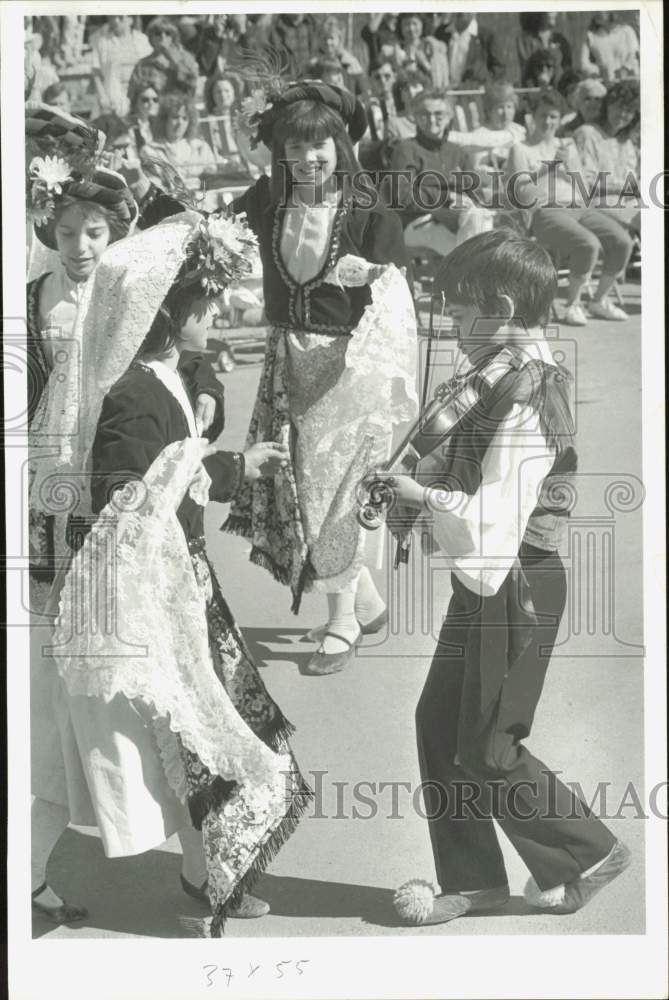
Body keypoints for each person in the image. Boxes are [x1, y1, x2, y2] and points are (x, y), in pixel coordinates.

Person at [30, 212, 310, 935]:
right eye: (204, 304)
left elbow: (170, 454)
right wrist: (225, 466)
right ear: (168, 315)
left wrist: (209, 447)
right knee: (172, 736)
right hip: (148, 594)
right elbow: (126, 492)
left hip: (179, 582)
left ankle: (206, 872)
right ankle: (197, 875)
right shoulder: (133, 395)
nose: (215, 313)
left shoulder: (160, 375)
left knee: (184, 737)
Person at [385, 230, 630, 927]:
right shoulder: (501, 371)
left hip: (516, 582)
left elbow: (494, 515)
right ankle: (475, 881)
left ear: (496, 304)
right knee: (439, 723)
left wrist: (417, 491)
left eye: (460, 314)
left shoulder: (528, 389)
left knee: (488, 750)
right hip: (492, 581)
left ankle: (590, 850)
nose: (453, 329)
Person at [224, 82, 418, 674]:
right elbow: (213, 234)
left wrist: (375, 276)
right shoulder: (267, 201)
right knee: (303, 485)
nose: (309, 160)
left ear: (340, 146)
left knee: (338, 488)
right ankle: (364, 600)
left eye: (321, 147)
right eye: (295, 148)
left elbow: (399, 295)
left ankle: (342, 621)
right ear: (278, 153)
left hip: (350, 368)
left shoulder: (367, 208)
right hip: (288, 366)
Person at [505, 89, 634, 325]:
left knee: (622, 241)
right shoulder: (521, 149)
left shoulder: (567, 145)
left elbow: (583, 188)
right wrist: (549, 168)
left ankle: (598, 300)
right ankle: (572, 305)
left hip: (578, 206)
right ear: (532, 116)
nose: (548, 122)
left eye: (554, 116)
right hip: (545, 212)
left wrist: (568, 169)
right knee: (587, 244)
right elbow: (520, 192)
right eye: (543, 115)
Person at [389, 90, 503, 258]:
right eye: (424, 114)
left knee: (481, 220)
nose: (432, 120)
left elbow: (475, 194)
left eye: (439, 114)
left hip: (461, 221)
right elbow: (403, 196)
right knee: (471, 248)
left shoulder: (457, 153)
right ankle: (472, 276)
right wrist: (447, 197)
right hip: (419, 222)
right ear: (415, 117)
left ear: (449, 116)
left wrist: (477, 198)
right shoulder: (407, 150)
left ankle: (469, 276)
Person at [143, 92, 217, 192]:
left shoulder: (202, 147)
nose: (180, 123)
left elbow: (212, 181)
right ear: (164, 119)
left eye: (185, 118)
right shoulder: (150, 150)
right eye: (175, 117)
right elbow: (155, 186)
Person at [127, 16, 199, 109]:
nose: (162, 36)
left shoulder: (186, 59)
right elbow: (132, 94)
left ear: (173, 37)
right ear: (151, 38)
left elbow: (192, 85)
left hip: (179, 111)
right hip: (153, 111)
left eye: (167, 33)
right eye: (158, 33)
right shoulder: (142, 65)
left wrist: (174, 65)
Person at [89, 14, 152, 117]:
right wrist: (102, 97)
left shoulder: (142, 40)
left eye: (121, 17)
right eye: (112, 17)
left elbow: (149, 68)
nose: (116, 21)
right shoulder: (101, 40)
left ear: (131, 19)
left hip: (139, 98)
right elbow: (95, 71)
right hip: (111, 97)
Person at [434, 12, 506, 87]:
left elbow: (499, 68)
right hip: (445, 93)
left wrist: (484, 85)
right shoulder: (441, 33)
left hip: (473, 94)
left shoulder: (486, 35)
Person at [202, 72, 250, 176]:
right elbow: (209, 152)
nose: (223, 95)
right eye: (218, 92)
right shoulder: (207, 122)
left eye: (226, 91)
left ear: (234, 93)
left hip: (248, 169)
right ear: (212, 96)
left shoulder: (246, 118)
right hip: (222, 172)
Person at [580, 13, 640, 84]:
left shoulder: (627, 31)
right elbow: (584, 63)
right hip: (605, 83)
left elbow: (634, 55)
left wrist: (625, 69)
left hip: (630, 80)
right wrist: (595, 73)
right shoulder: (590, 36)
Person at [395, 14, 449, 91]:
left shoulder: (431, 45)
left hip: (428, 94)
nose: (411, 29)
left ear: (422, 24)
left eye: (414, 23)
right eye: (406, 24)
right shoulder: (396, 49)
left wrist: (423, 62)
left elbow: (439, 77)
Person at [517, 12, 572, 87]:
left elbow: (567, 68)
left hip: (559, 88)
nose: (553, 12)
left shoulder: (561, 39)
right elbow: (526, 71)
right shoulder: (526, 40)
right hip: (533, 88)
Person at [128, 82, 161, 148]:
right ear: (135, 102)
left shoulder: (157, 126)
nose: (151, 103)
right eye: (145, 100)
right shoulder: (129, 125)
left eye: (155, 99)